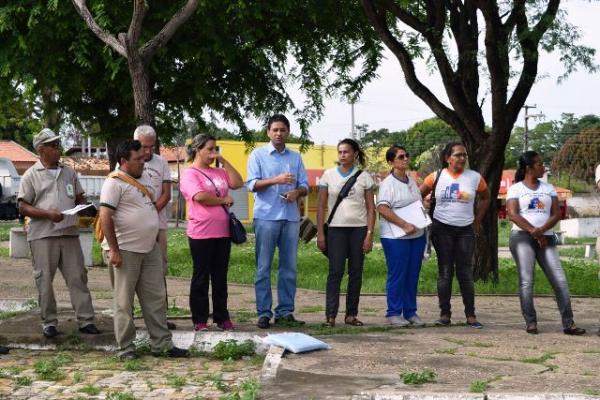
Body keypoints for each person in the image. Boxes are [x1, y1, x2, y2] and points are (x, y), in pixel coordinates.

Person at [99, 139, 189, 360]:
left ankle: (162, 344)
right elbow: (105, 217)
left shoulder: (145, 176)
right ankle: (126, 348)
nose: (143, 162)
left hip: (149, 248)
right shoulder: (114, 183)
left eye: (143, 157)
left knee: (156, 298)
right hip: (125, 250)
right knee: (123, 301)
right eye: (138, 159)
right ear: (123, 161)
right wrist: (114, 250)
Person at [18, 128, 99, 338]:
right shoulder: (30, 175)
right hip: (43, 234)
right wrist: (46, 213)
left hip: (69, 232)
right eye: (53, 146)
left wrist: (85, 206)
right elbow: (23, 206)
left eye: (58, 145)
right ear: (41, 149)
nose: (58, 149)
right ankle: (49, 322)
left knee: (78, 277)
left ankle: (86, 320)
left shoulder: (69, 172)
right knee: (44, 280)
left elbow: (79, 196)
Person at [506, 151, 585, 335]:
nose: (544, 167)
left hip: (546, 237)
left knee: (560, 280)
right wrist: (533, 231)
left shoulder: (548, 188)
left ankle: (569, 323)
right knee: (527, 280)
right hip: (522, 237)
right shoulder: (516, 189)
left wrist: (541, 231)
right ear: (529, 168)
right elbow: (513, 214)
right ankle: (531, 322)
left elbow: (556, 214)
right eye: (540, 164)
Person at [246, 114, 309, 329]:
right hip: (266, 217)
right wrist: (276, 180)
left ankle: (285, 312)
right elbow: (252, 184)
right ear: (268, 132)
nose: (279, 133)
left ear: (288, 132)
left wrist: (296, 193)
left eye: (283, 130)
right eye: (275, 130)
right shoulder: (258, 155)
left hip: (290, 217)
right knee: (263, 266)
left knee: (289, 267)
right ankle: (264, 312)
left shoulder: (296, 157)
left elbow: (305, 186)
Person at [420, 142, 490, 328]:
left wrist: (477, 221)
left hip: (465, 229)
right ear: (447, 158)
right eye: (458, 155)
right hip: (441, 229)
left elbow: (486, 197)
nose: (462, 158)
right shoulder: (436, 177)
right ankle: (445, 314)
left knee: (465, 273)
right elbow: (418, 196)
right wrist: (424, 210)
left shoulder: (474, 177)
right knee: (445, 271)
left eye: (464, 155)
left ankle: (470, 315)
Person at [180, 134, 244, 332]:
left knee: (220, 276)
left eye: (215, 149)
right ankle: (199, 319)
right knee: (201, 276)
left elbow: (238, 182)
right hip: (201, 232)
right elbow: (200, 196)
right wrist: (223, 200)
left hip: (222, 232)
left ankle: (221, 316)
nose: (212, 153)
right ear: (198, 150)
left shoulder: (219, 171)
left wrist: (223, 160)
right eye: (209, 149)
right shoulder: (190, 174)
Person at [316, 139, 375, 327]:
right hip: (335, 230)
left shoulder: (364, 177)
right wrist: (320, 233)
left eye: (346, 152)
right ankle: (330, 316)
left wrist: (369, 233)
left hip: (358, 230)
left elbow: (371, 208)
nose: (342, 155)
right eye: (340, 152)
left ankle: (351, 315)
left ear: (355, 153)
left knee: (356, 272)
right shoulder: (328, 175)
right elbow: (321, 206)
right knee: (335, 271)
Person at [377, 145, 427, 327]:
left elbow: (416, 203)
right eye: (400, 157)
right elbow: (382, 208)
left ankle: (410, 311)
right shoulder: (387, 184)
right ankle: (394, 312)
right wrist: (404, 224)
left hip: (416, 235)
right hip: (395, 236)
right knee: (398, 274)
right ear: (391, 162)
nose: (405, 159)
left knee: (412, 274)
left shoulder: (411, 181)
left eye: (407, 155)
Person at [132, 125, 176, 330]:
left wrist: (151, 212)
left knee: (159, 269)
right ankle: (129, 317)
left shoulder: (161, 163)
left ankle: (160, 317)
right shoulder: (126, 162)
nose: (148, 151)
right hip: (133, 227)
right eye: (143, 147)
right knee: (131, 271)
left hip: (158, 225)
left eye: (151, 146)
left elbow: (166, 194)